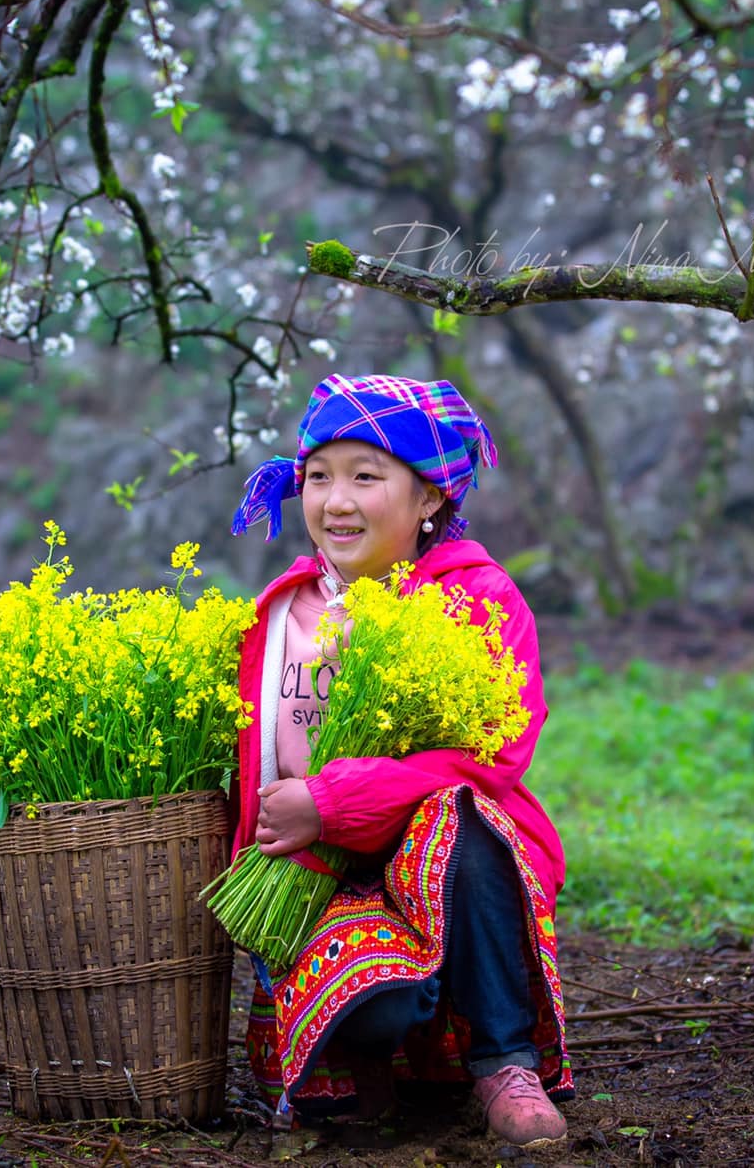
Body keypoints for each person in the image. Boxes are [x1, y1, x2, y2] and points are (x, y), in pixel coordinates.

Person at [227, 372, 572, 1149]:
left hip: (443, 870)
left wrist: (333, 798)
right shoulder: (281, 610)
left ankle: (502, 1060)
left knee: (465, 813)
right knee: (376, 1008)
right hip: (319, 874)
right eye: (318, 477)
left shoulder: (475, 601)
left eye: (365, 477)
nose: (335, 501)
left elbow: (494, 757)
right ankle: (376, 1054)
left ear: (429, 501)